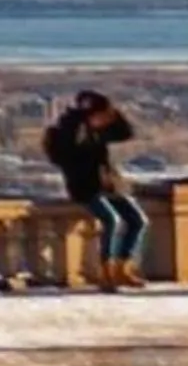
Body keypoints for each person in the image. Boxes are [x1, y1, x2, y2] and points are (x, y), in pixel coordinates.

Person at [45, 91, 145, 288]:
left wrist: (112, 112)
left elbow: (125, 133)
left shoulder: (96, 130)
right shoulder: (70, 130)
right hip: (84, 186)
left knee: (137, 220)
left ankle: (122, 267)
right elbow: (65, 156)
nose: (105, 121)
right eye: (102, 116)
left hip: (106, 184)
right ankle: (106, 269)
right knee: (112, 220)